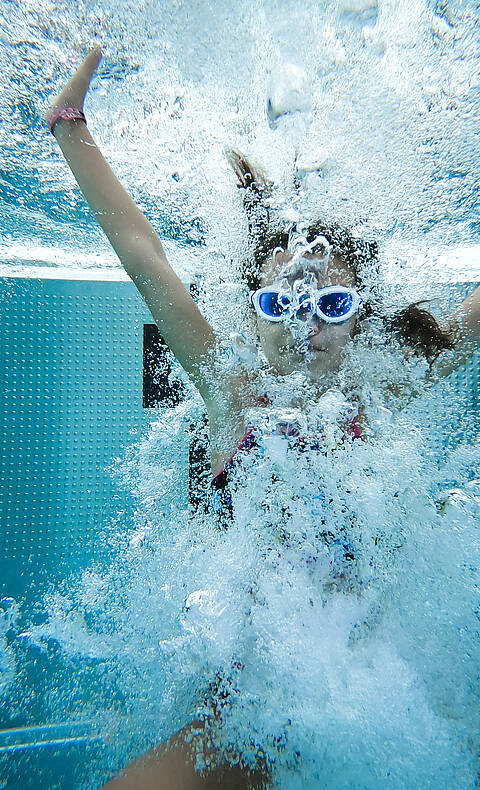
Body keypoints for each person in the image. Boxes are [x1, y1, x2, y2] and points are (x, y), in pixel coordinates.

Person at [45, 47, 480, 789]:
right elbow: (145, 258)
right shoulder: (232, 393)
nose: (303, 324)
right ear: (253, 318)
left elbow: (470, 324)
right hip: (246, 699)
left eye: (330, 306)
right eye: (280, 304)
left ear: (359, 320)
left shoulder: (377, 401)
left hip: (360, 680)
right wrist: (69, 127)